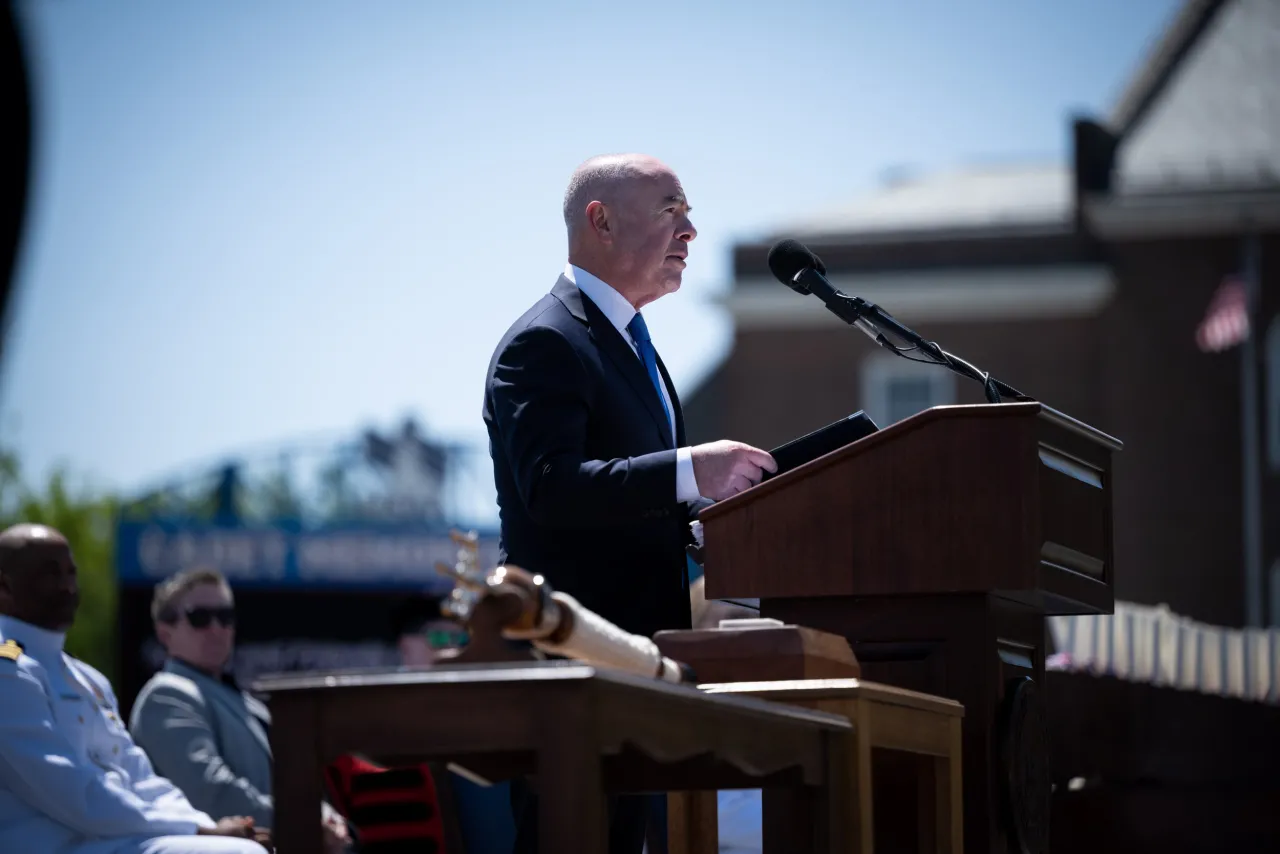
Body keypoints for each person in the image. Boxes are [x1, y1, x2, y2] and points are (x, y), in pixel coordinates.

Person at [482, 153, 776, 854]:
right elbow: (551, 490)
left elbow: (636, 502)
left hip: (642, 666)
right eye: (672, 209)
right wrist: (689, 469)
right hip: (571, 666)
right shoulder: (544, 342)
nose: (692, 232)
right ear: (601, 220)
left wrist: (705, 525)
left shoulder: (635, 346)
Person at [0, 523, 268, 854]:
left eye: (71, 573)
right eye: (50, 573)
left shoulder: (87, 679)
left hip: (119, 841)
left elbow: (140, 777)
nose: (67, 586)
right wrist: (197, 828)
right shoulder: (7, 669)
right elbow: (75, 795)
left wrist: (207, 826)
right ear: (4, 587)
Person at [128, 568, 349, 853]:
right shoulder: (167, 695)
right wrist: (303, 820)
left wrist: (325, 815)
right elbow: (212, 794)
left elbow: (294, 779)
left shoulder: (244, 701)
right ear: (165, 632)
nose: (217, 628)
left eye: (225, 616)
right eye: (200, 617)